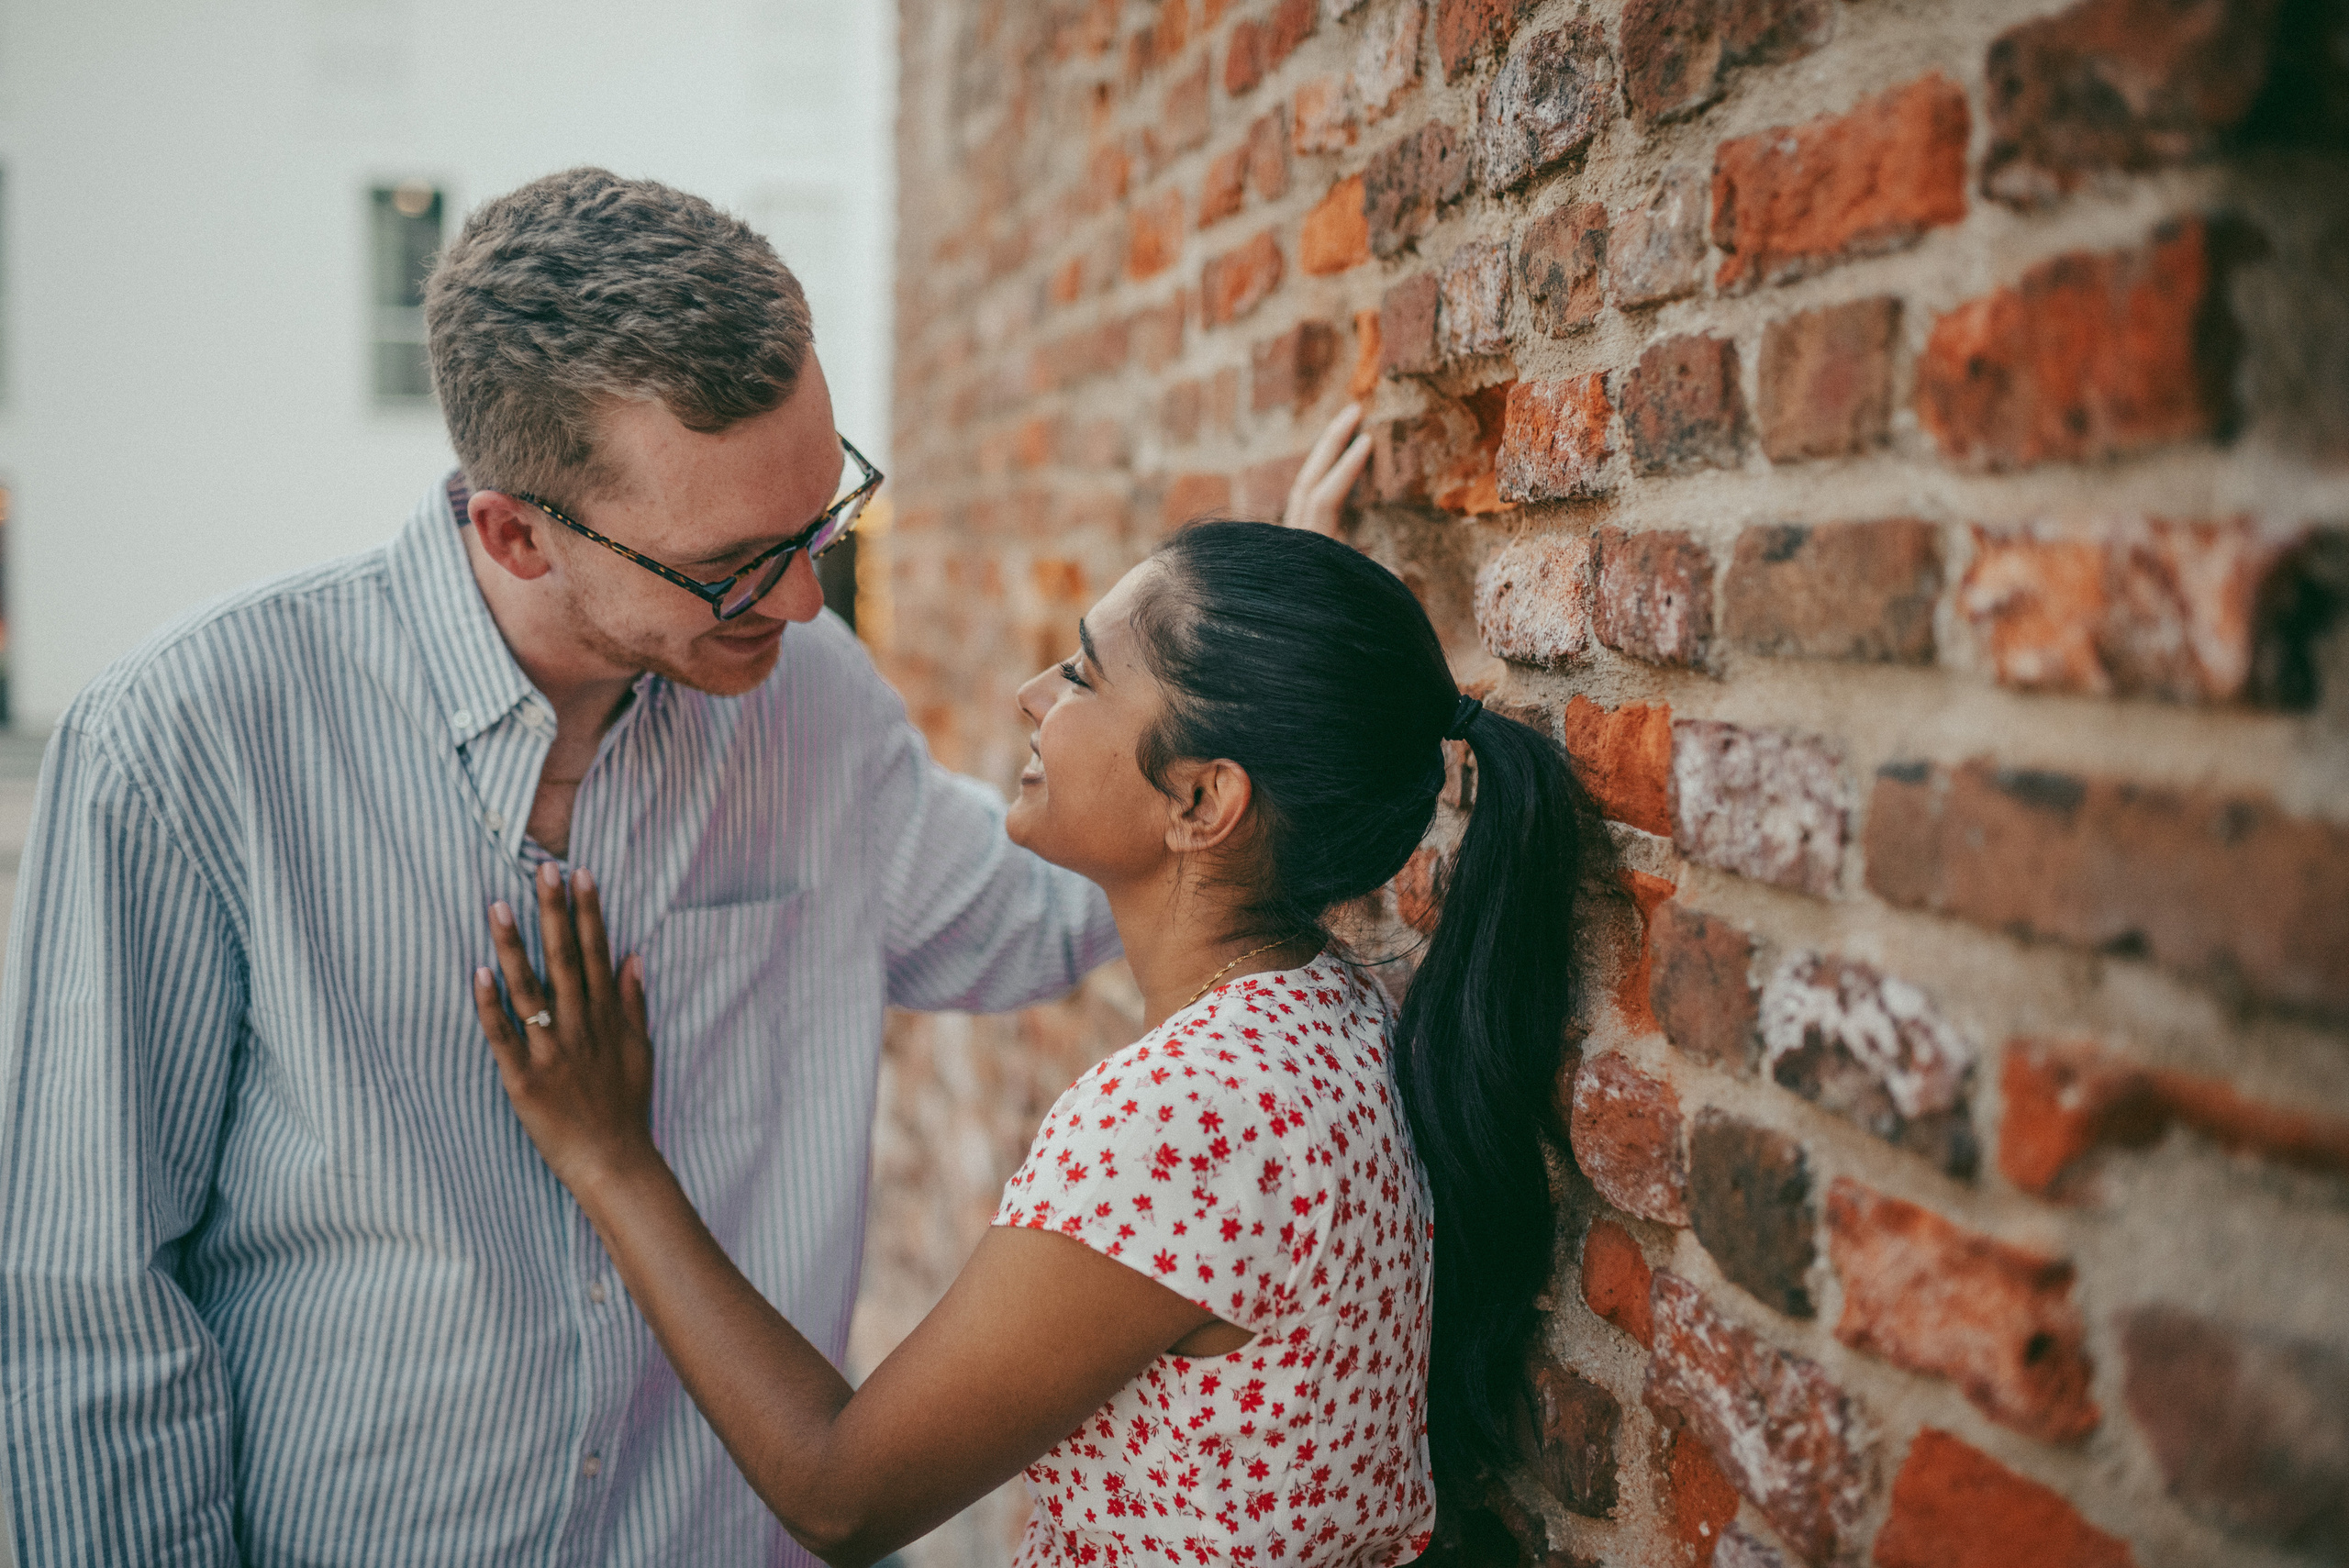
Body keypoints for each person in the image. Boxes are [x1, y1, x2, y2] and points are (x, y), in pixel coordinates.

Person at [0, 168, 1121, 1564]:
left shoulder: (812, 695)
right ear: (515, 531)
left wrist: (1252, 696)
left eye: (824, 516)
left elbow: (1050, 905)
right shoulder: (183, 746)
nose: (803, 598)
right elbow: (86, 1308)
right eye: (733, 564)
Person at [473, 519, 1613, 1565]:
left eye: (1081, 673)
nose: (1031, 694)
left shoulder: (1185, 1117)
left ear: (1204, 799)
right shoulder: (1329, 1016)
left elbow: (839, 1493)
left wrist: (611, 1155)